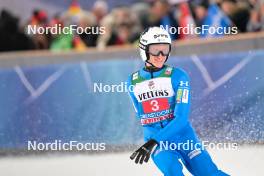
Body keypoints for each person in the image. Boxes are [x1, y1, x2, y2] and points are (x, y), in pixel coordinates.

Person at [127, 26, 229, 176]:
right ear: (144, 50)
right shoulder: (132, 82)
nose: (161, 55)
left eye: (165, 50)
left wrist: (153, 141)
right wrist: (153, 140)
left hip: (183, 137)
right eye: (156, 50)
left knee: (208, 173)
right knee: (172, 171)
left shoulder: (178, 76)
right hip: (157, 141)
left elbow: (181, 119)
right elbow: (143, 118)